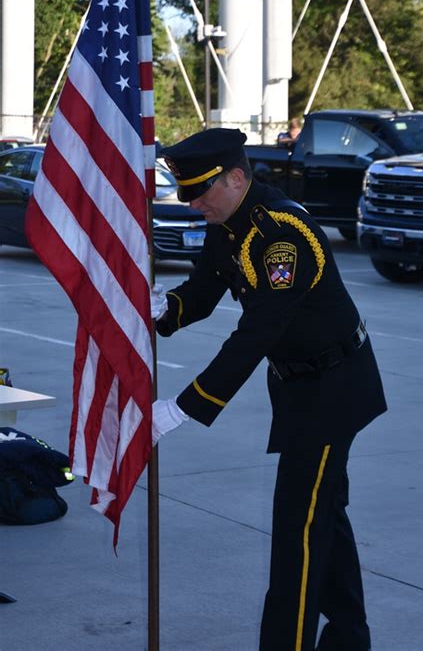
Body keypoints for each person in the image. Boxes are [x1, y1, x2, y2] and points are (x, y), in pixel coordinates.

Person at [151, 127, 386, 651]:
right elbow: (206, 289)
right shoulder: (228, 223)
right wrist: (164, 310)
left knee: (296, 532)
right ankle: (350, 638)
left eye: (199, 191)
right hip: (300, 385)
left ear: (236, 177)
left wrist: (182, 407)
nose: (192, 202)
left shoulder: (282, 235)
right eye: (185, 191)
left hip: (333, 387)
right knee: (324, 516)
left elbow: (260, 329)